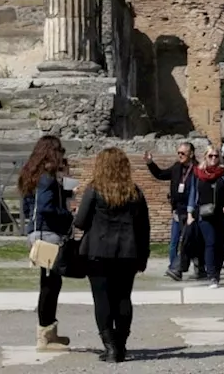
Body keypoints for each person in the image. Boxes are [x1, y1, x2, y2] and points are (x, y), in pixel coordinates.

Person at [73, 147, 150, 363]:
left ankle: (110, 347)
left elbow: (80, 222)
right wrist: (144, 255)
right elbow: (144, 227)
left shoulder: (94, 189)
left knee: (102, 299)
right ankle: (121, 345)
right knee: (123, 298)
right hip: (128, 252)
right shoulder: (134, 192)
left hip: (98, 252)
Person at [19, 135, 74, 352]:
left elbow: (28, 208)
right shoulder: (47, 178)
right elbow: (45, 207)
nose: (62, 156)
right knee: (50, 285)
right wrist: (68, 215)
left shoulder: (31, 175)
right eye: (59, 152)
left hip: (38, 232)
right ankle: (44, 336)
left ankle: (50, 332)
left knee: (50, 283)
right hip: (48, 234)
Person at [145, 143, 197, 277]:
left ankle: (193, 266)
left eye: (183, 153)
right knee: (174, 242)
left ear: (191, 154)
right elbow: (161, 174)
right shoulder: (176, 167)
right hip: (177, 210)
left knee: (188, 241)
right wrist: (150, 163)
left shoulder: (197, 169)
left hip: (190, 212)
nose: (180, 155)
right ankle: (173, 267)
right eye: (178, 153)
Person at [186, 145, 224, 288]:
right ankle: (211, 275)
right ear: (205, 156)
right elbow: (193, 194)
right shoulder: (198, 173)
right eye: (210, 156)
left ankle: (216, 272)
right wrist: (190, 213)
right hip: (204, 215)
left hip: (221, 213)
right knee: (210, 242)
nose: (213, 158)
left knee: (221, 245)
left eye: (216, 156)